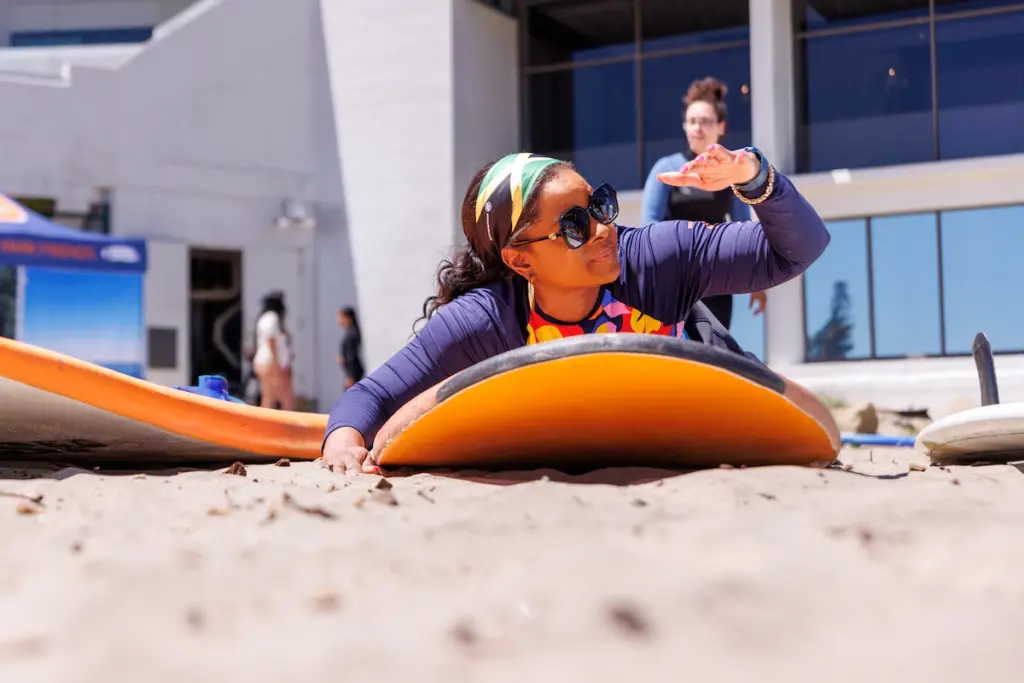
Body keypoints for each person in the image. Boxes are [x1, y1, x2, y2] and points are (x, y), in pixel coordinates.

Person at [322, 145, 833, 473]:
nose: (602, 229)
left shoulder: (657, 259)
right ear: (521, 261)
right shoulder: (487, 322)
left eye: (599, 206)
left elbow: (797, 250)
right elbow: (373, 395)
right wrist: (343, 444)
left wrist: (754, 176)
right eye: (573, 226)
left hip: (697, 394)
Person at [641, 76, 767, 330]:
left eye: (705, 122)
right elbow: (649, 225)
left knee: (714, 351)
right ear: (685, 126)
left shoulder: (732, 172)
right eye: (691, 122)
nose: (697, 128)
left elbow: (745, 229)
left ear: (721, 127)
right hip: (673, 280)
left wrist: (757, 283)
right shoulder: (666, 168)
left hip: (717, 280)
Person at [252, 291, 296, 411]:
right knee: (284, 397)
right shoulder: (271, 318)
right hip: (271, 363)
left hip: (269, 362)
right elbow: (271, 341)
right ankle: (288, 425)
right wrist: (276, 364)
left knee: (269, 397)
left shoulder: (266, 318)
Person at [337, 306, 365, 389]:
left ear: (348, 318)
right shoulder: (350, 331)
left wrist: (350, 375)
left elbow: (351, 356)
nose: (339, 321)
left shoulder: (352, 334)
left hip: (353, 373)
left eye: (341, 317)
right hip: (352, 372)